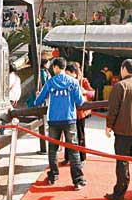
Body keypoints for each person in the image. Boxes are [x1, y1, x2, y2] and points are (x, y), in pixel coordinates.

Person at [34, 57, 86, 190]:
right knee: (73, 150)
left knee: (53, 149)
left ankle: (53, 175)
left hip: (53, 120)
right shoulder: (73, 82)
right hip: (69, 119)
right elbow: (80, 102)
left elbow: (38, 102)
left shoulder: (50, 82)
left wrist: (38, 95)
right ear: (64, 68)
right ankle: (78, 180)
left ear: (56, 67)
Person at [105, 58, 132, 200]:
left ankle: (119, 194)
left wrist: (108, 126)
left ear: (124, 69)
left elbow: (113, 109)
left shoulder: (119, 86)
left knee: (122, 162)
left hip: (123, 130)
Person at [61, 62, 94, 166]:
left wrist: (84, 91)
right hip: (68, 113)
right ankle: (67, 157)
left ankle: (81, 158)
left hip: (79, 113)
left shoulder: (82, 81)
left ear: (74, 73)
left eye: (68, 73)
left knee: (80, 136)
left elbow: (92, 93)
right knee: (68, 136)